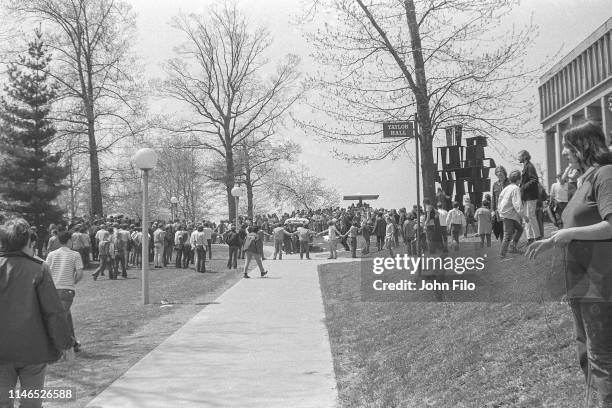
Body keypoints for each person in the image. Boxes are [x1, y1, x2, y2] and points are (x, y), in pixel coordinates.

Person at [526, 122, 612, 406]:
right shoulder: (584, 180)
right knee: (587, 355)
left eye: (568, 146)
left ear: (584, 146)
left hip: (600, 285)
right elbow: (574, 223)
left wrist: (568, 233)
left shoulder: (605, 174)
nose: (563, 153)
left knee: (602, 360)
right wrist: (552, 241)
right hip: (582, 284)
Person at [0, 218, 73, 408]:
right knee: (31, 403)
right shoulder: (39, 268)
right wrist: (65, 344)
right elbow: (53, 312)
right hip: (33, 350)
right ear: (27, 241)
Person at [46, 231, 84, 352]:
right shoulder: (75, 254)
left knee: (66, 316)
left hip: (53, 290)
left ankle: (73, 344)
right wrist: (73, 282)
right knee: (62, 318)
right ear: (69, 241)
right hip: (67, 290)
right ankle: (66, 344)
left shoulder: (51, 254)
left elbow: (46, 271)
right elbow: (79, 273)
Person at [498, 170, 528, 259]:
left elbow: (500, 199)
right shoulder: (516, 188)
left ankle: (512, 247)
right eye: (521, 179)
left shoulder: (507, 188)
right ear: (518, 180)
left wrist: (499, 210)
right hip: (508, 215)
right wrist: (524, 216)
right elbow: (517, 204)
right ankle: (502, 254)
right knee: (508, 234)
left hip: (505, 213)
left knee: (520, 229)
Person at [518, 149, 540, 244]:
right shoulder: (525, 166)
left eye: (519, 156)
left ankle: (537, 237)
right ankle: (529, 238)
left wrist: (523, 187)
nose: (518, 158)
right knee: (526, 218)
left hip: (530, 196)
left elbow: (535, 180)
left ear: (524, 156)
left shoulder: (529, 166)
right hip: (526, 197)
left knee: (531, 217)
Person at [492, 166, 510, 241]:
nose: (499, 173)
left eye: (501, 171)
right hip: (499, 209)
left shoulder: (509, 182)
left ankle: (511, 244)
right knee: (501, 228)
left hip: (509, 208)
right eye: (497, 172)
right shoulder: (495, 184)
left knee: (509, 228)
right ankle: (503, 245)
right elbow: (493, 197)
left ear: (504, 172)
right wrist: (493, 210)